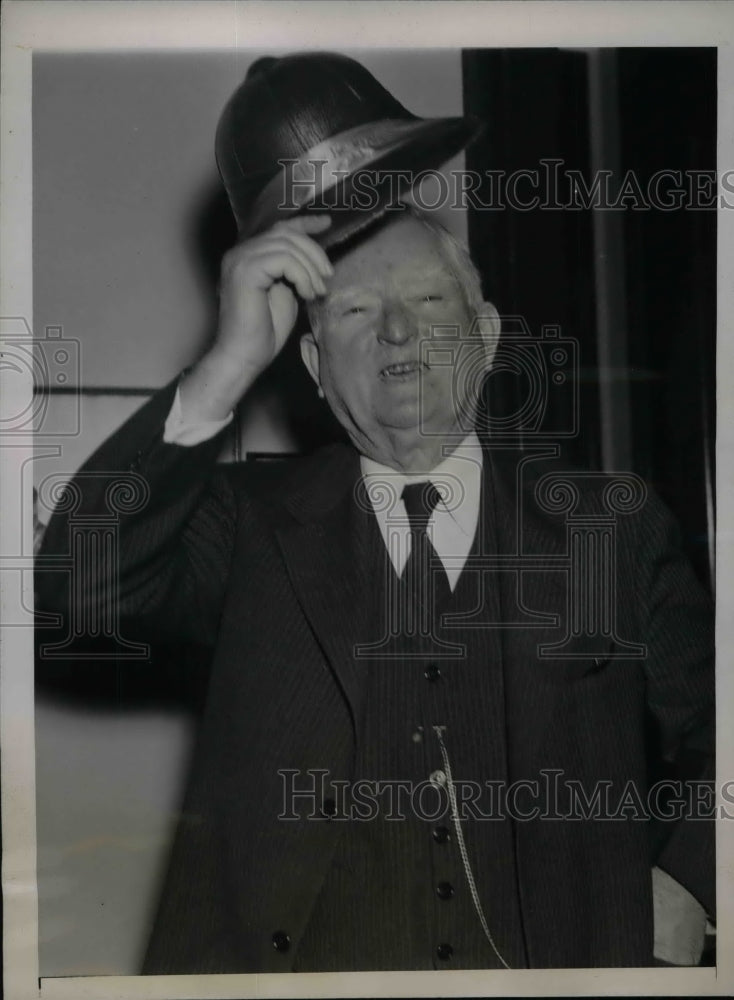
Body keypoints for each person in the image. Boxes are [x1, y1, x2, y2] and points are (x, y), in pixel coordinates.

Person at [36, 52, 714, 973]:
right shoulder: (245, 527)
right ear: (312, 370)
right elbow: (75, 588)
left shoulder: (614, 527)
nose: (397, 332)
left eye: (430, 300)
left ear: (490, 332)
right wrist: (223, 369)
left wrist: (693, 882)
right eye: (354, 313)